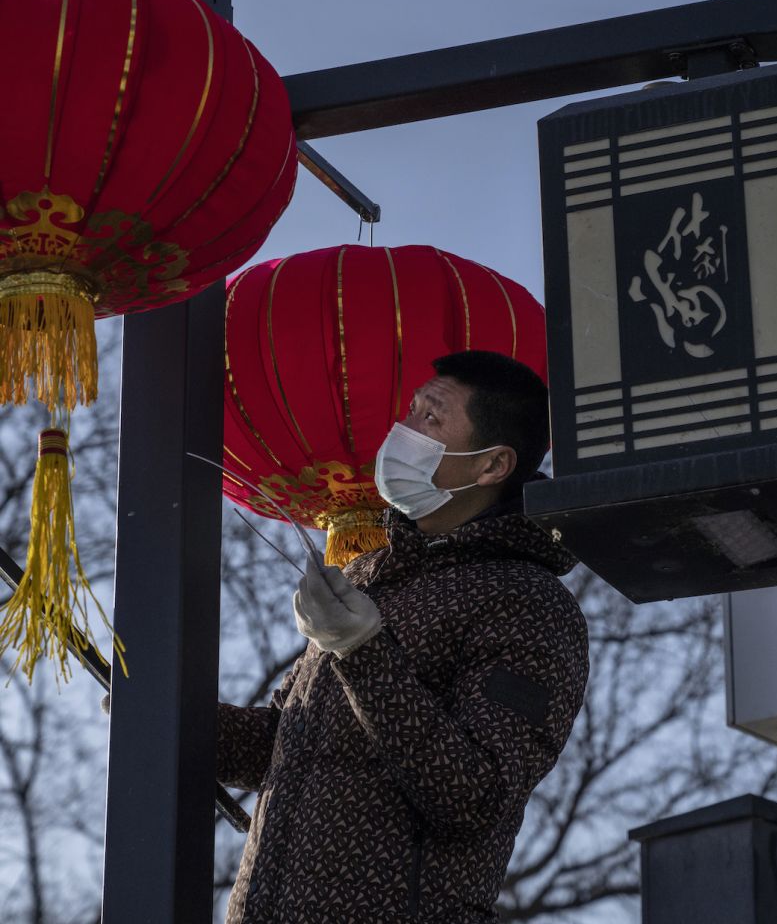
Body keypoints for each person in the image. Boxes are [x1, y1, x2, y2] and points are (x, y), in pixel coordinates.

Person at [217, 350, 590, 923]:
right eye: (411, 408)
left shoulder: (529, 604)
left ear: (492, 465)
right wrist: (174, 722)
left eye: (430, 418)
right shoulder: (372, 573)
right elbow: (282, 744)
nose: (402, 430)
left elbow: (474, 796)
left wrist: (361, 652)